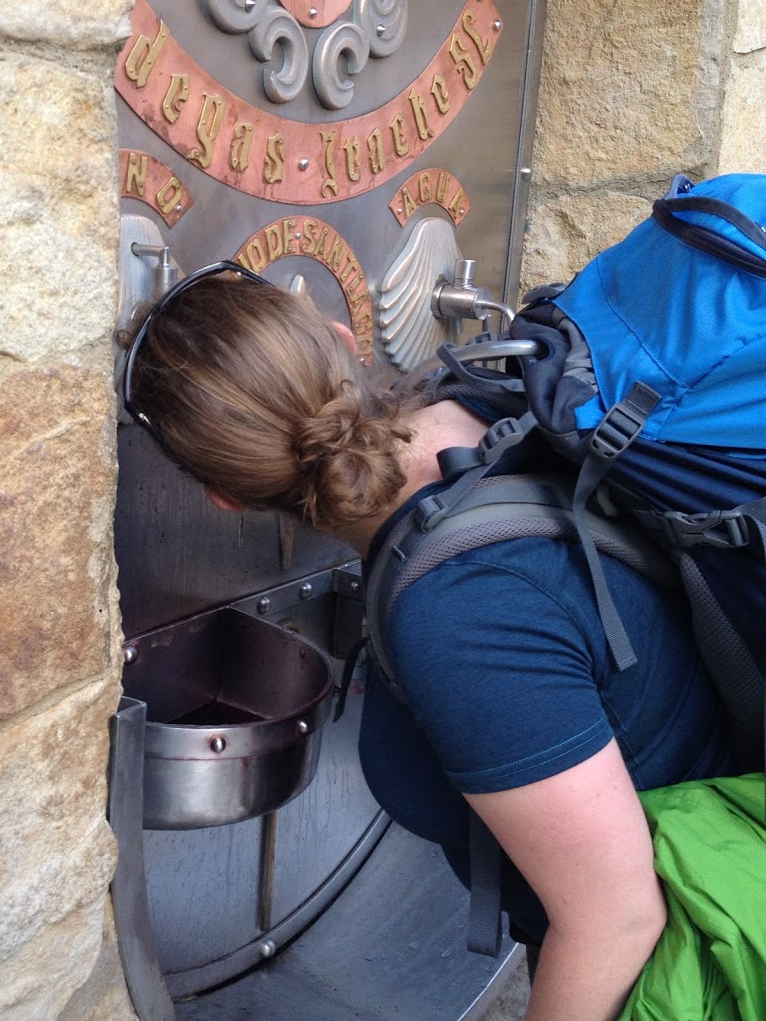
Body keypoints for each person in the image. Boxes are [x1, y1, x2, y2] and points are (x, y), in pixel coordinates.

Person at [120, 263, 735, 1021]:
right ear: (346, 342)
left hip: (709, 951)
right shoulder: (482, 407)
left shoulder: (462, 611)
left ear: (224, 495)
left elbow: (616, 920)